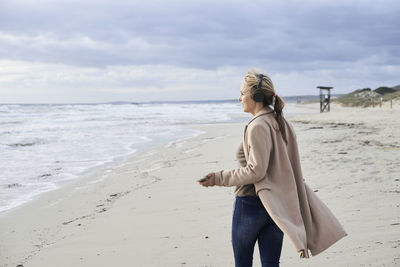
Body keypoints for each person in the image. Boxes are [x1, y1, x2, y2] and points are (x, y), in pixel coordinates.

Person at [198, 69, 347, 267]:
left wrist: (218, 178)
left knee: (242, 263)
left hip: (251, 203)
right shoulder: (280, 121)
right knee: (271, 263)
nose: (239, 97)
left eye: (242, 93)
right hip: (278, 203)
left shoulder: (258, 125)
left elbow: (256, 171)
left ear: (256, 96)